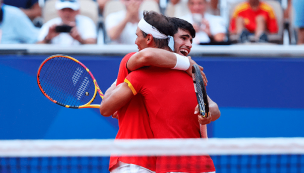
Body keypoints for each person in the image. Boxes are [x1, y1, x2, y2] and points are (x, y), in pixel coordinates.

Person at [100, 11, 219, 173]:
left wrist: (207, 110)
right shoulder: (137, 67)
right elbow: (107, 107)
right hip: (134, 161)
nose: (189, 44)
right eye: (183, 38)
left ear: (149, 38)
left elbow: (213, 108)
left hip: (166, 165)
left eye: (190, 39)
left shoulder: (190, 77)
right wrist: (188, 64)